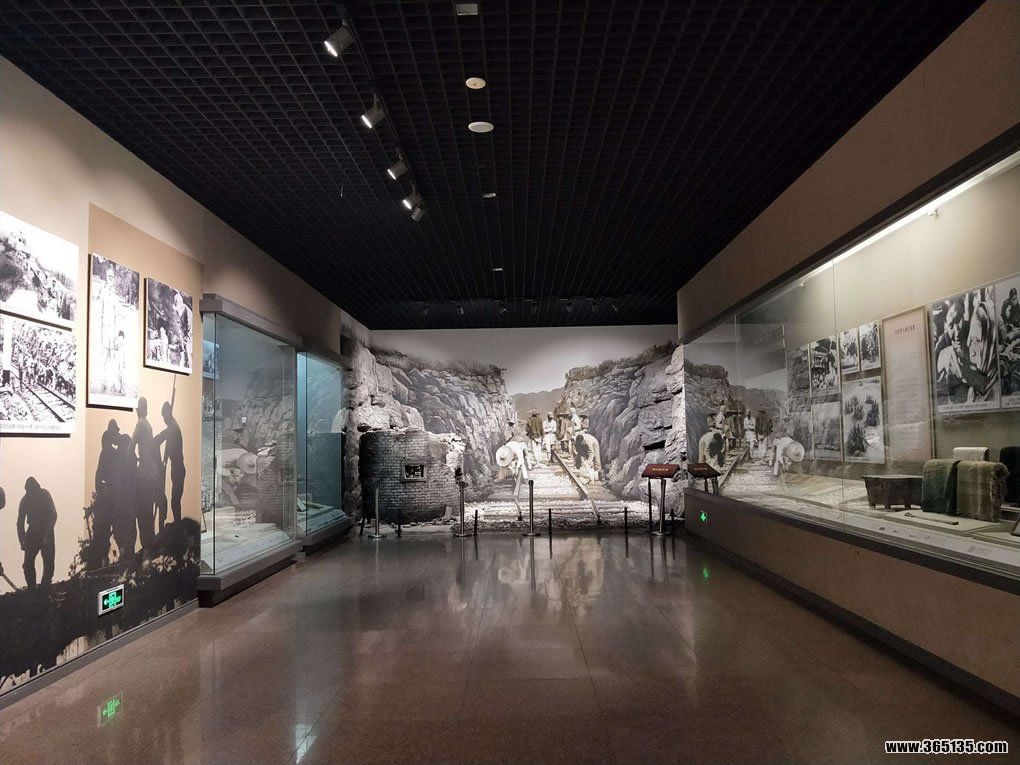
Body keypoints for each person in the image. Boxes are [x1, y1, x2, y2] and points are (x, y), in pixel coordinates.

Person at [17, 477, 57, 588]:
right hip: (33, 532)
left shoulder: (45, 495)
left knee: (48, 562)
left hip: (46, 529)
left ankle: (45, 586)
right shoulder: (25, 500)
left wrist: (47, 534)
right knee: (28, 564)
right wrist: (22, 541)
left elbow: (53, 515)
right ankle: (32, 588)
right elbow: (20, 522)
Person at [130, 398, 159, 547]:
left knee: (142, 513)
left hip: (144, 473)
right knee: (148, 512)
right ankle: (149, 545)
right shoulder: (148, 425)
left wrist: (133, 459)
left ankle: (147, 546)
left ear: (138, 409)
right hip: (151, 473)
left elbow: (130, 447)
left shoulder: (140, 424)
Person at [155, 400, 185, 528]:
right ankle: (177, 526)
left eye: (164, 417)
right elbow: (163, 436)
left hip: (178, 468)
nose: (163, 420)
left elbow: (168, 442)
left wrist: (166, 456)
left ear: (168, 414)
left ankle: (178, 527)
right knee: (175, 501)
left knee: (175, 501)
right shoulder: (172, 427)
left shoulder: (173, 428)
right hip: (176, 468)